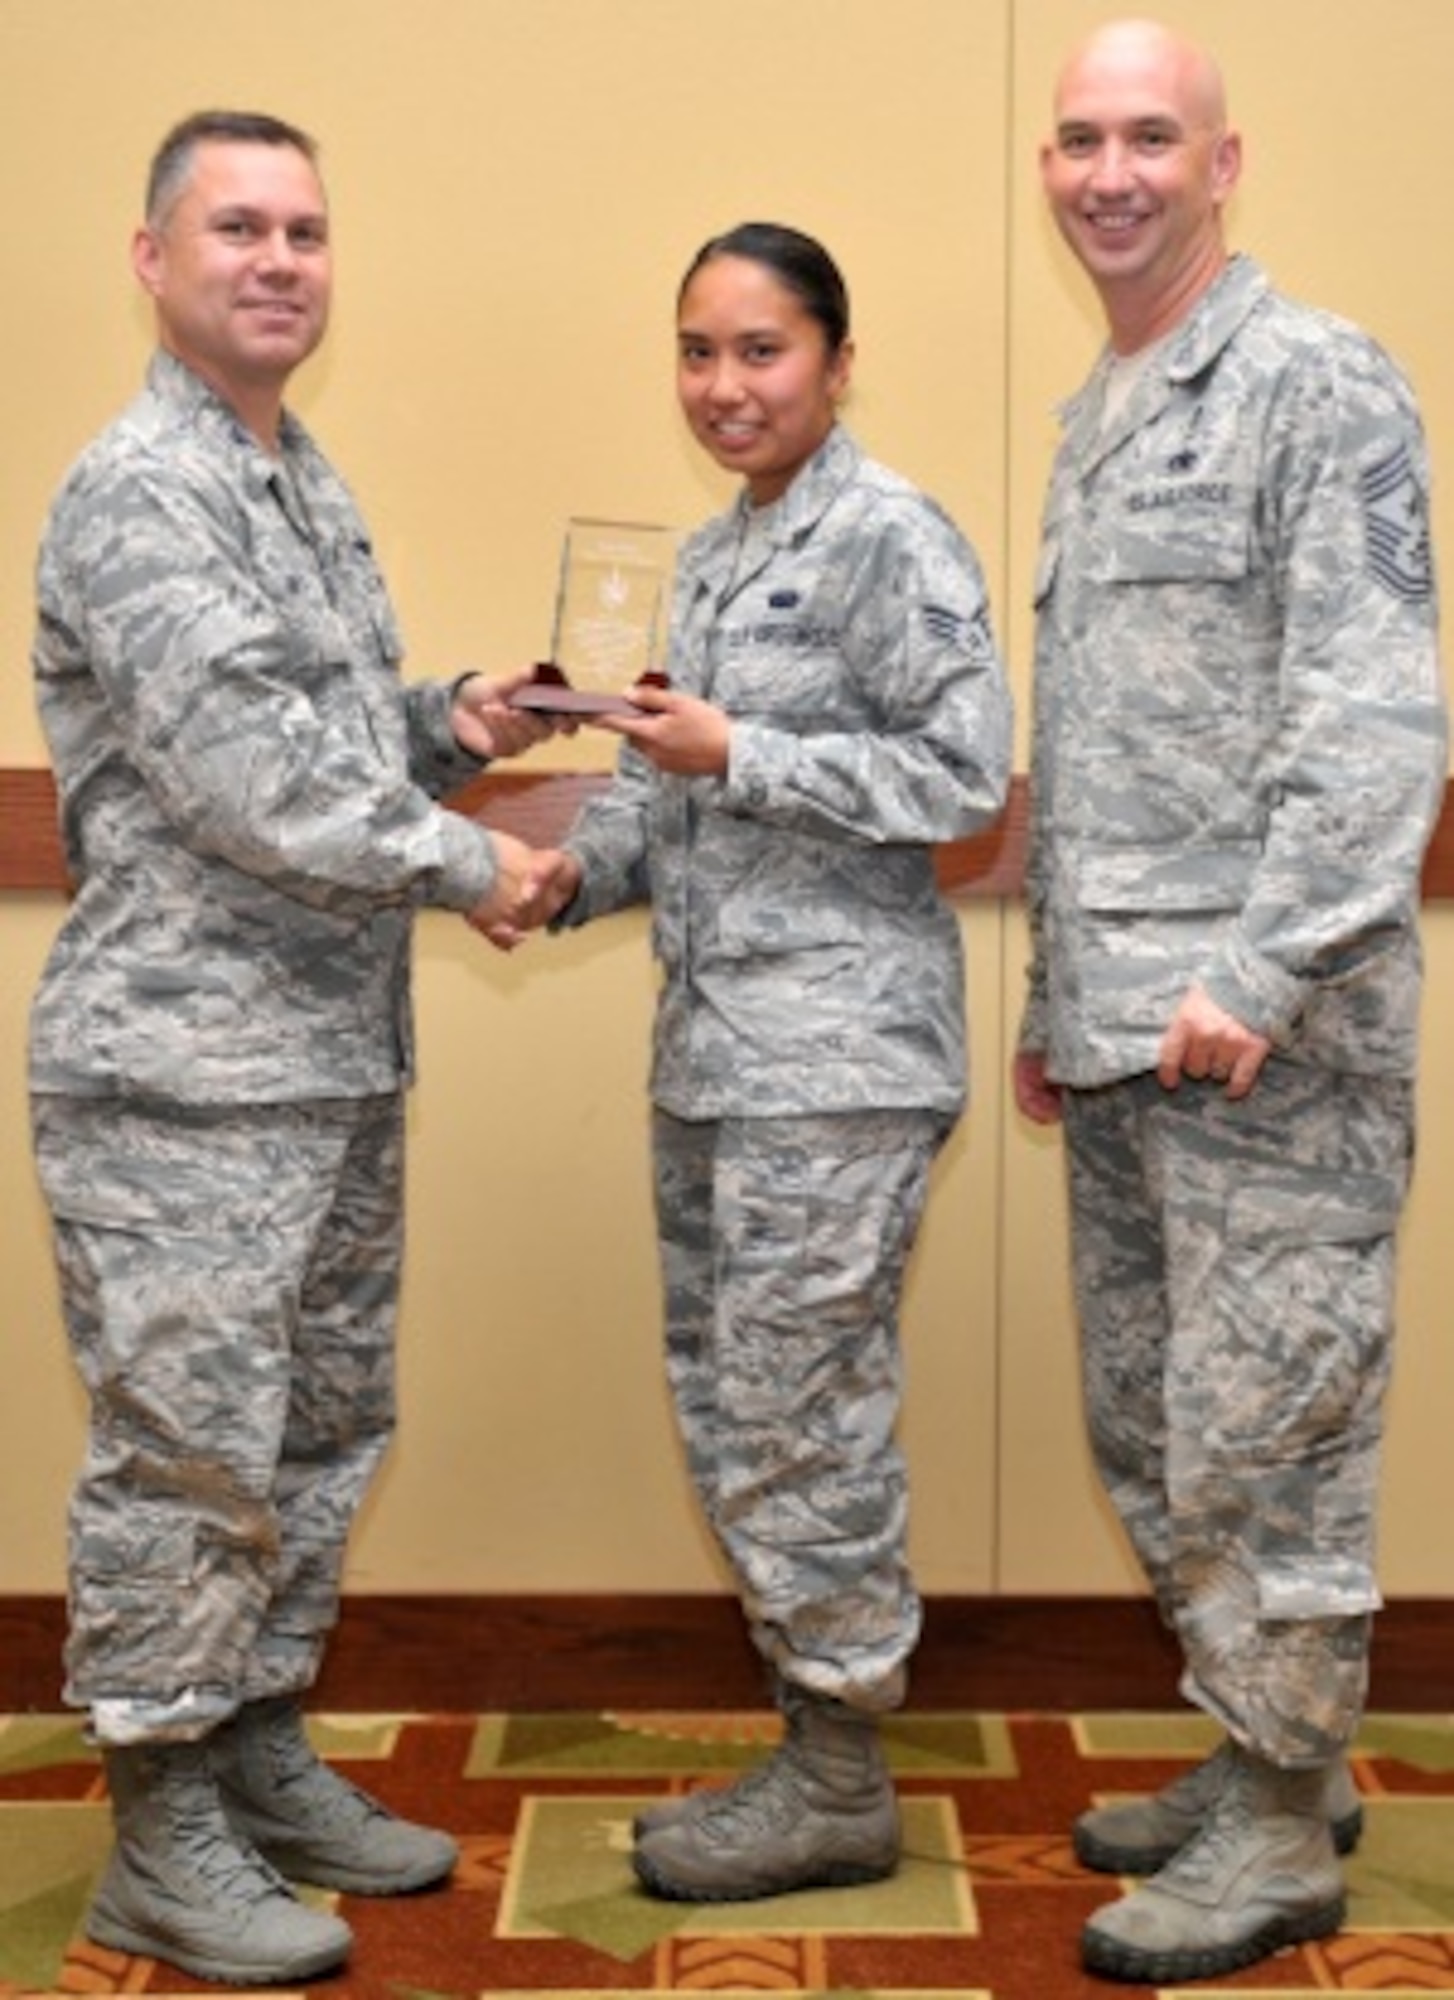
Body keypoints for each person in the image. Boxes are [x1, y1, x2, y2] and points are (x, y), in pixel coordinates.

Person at [28, 110, 555, 1986]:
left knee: (317, 1434)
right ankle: (159, 1822)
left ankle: (254, 1751)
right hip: (184, 1082)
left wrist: (447, 722)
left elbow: (318, 743)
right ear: (151, 259)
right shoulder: (140, 490)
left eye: (306, 232)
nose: (276, 260)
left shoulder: (291, 475)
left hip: (325, 1061)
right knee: (189, 1456)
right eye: (236, 227)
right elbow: (253, 782)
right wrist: (477, 856)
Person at [1014, 19, 1448, 1985]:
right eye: (1079, 138)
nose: (1110, 172)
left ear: (1224, 161)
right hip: (1120, 1030)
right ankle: (1259, 1735)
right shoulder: (1099, 412)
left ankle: (1282, 1809)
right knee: (1153, 1418)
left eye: (1149, 140)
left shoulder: (1311, 378)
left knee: (1263, 1424)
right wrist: (1051, 994)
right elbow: (1094, 749)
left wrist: (1266, 966)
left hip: (1271, 1027)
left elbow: (1374, 717)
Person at [506, 222, 1012, 1902]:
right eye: (697, 352)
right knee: (739, 1408)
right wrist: (571, 870)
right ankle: (813, 1737)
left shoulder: (886, 534)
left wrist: (750, 748)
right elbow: (678, 794)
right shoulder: (718, 557)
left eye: (762, 350)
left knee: (802, 1417)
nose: (724, 385)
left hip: (836, 1055)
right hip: (717, 1052)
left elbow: (963, 776)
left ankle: (841, 1771)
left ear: (837, 361)